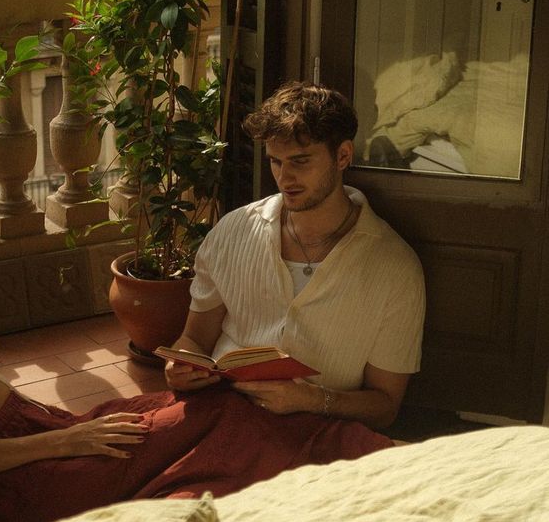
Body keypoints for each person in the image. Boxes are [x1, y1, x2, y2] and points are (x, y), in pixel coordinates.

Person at [0, 145, 399, 522]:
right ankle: (372, 463)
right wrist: (69, 443)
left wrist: (70, 431)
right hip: (19, 477)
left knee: (214, 412)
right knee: (228, 422)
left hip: (35, 436)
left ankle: (353, 458)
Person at [166, 81, 426, 431]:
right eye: (276, 162)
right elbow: (194, 340)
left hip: (315, 436)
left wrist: (312, 401)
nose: (284, 178)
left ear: (343, 156)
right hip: (218, 415)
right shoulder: (232, 231)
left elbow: (385, 406)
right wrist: (180, 366)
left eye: (301, 162)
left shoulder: (395, 269)